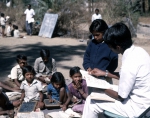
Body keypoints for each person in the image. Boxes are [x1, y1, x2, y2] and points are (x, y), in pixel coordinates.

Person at [82, 23, 150, 118]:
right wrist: (105, 73)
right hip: (145, 102)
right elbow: (128, 77)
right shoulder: (139, 51)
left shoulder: (129, 63)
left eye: (110, 46)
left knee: (91, 101)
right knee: (101, 93)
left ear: (117, 47)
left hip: (136, 108)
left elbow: (120, 96)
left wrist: (102, 88)